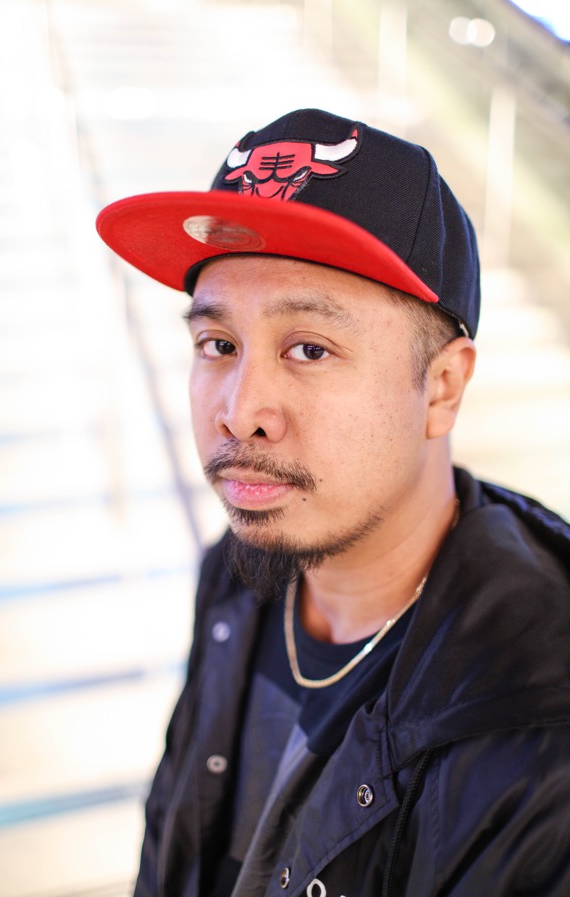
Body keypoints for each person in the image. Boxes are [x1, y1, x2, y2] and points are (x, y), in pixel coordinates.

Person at [96, 109, 570, 896]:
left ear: (442, 386)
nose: (241, 410)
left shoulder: (533, 728)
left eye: (309, 348)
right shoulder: (243, 575)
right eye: (219, 345)